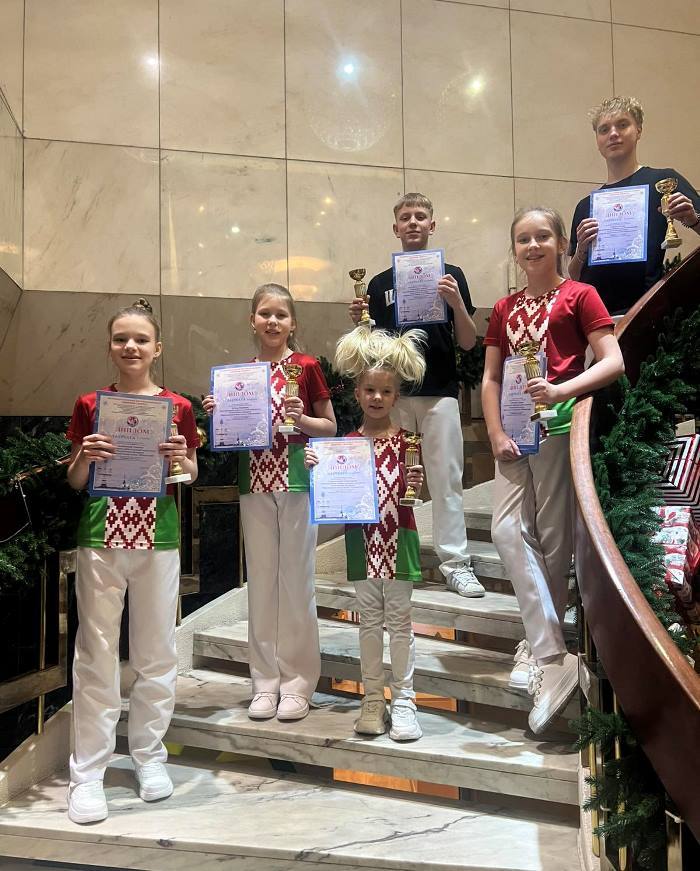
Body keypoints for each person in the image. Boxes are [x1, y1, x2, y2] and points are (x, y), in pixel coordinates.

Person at [482, 208, 624, 734]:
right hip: (513, 433)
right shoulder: (504, 307)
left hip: (560, 428)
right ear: (514, 249)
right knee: (505, 531)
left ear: (562, 243)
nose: (533, 245)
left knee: (554, 538)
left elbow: (612, 361)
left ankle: (540, 646)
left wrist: (562, 390)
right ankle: (552, 654)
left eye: (543, 236)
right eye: (523, 238)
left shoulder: (580, 295)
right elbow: (490, 378)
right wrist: (494, 432)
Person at [65, 298, 200, 824]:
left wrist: (180, 458)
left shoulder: (177, 407)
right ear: (110, 346)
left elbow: (188, 474)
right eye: (121, 338)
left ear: (157, 348)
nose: (131, 347)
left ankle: (149, 756)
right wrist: (87, 455)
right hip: (101, 535)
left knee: (156, 651)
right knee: (96, 653)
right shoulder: (90, 404)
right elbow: (75, 480)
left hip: (158, 536)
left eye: (141, 339)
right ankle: (87, 773)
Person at [204, 284, 336, 722]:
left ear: (292, 323)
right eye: (265, 314)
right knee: (261, 583)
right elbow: (229, 435)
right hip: (255, 482)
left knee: (296, 583)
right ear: (253, 320)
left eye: (281, 314)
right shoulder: (240, 375)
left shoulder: (307, 366)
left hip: (298, 480)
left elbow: (330, 427)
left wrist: (301, 418)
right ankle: (263, 682)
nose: (273, 321)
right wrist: (218, 414)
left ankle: (298, 683)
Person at [349, 192, 484, 598]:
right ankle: (391, 558)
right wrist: (359, 323)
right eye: (405, 217)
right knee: (392, 480)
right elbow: (372, 348)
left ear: (432, 225)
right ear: (395, 228)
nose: (413, 222)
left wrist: (456, 303)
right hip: (395, 397)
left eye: (420, 216)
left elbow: (468, 341)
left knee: (446, 481)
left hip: (440, 392)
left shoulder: (452, 275)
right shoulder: (379, 283)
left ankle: (455, 564)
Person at [305, 327, 427, 740]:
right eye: (370, 390)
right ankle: (373, 699)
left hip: (400, 540)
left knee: (401, 622)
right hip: (362, 543)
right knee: (369, 622)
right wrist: (316, 467)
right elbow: (332, 495)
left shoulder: (409, 442)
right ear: (357, 394)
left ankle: (405, 699)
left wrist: (417, 482)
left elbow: (413, 493)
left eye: (385, 391)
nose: (377, 397)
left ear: (396, 396)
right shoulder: (344, 445)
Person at [569, 96, 700, 315]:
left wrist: (692, 219)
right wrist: (582, 249)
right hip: (596, 318)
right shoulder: (586, 205)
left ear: (638, 130)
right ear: (597, 140)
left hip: (646, 313)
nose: (613, 134)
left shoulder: (663, 182)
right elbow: (575, 275)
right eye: (604, 129)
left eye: (622, 125)